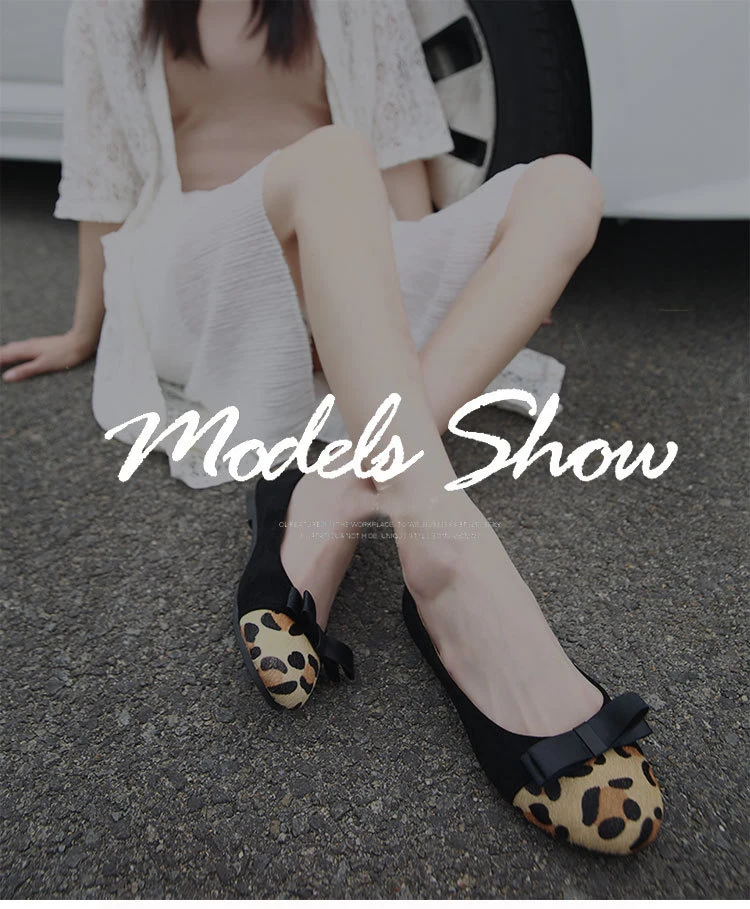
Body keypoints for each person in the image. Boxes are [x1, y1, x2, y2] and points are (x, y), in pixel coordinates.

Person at [0, 0, 663, 855]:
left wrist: (451, 274)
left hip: (343, 242)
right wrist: (82, 329)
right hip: (205, 275)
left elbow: (400, 171)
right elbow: (104, 183)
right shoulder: (109, 8)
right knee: (333, 155)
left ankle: (342, 483)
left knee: (568, 185)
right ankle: (446, 550)